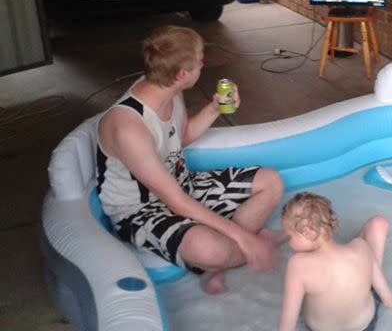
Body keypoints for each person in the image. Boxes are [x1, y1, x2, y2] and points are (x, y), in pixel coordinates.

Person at [96, 25, 284, 294]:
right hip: (141, 210)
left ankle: (226, 258)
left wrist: (214, 108)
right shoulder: (128, 127)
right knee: (209, 250)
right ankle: (242, 249)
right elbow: (175, 202)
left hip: (182, 185)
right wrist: (246, 239)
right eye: (199, 61)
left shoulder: (169, 88)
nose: (203, 64)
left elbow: (181, 137)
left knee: (271, 181)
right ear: (182, 74)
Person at [279, 191, 392, 331]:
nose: (289, 243)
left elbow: (287, 327)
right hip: (365, 326)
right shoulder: (361, 246)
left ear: (308, 232)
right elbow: (389, 300)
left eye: (289, 237)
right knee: (376, 227)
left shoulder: (297, 264)